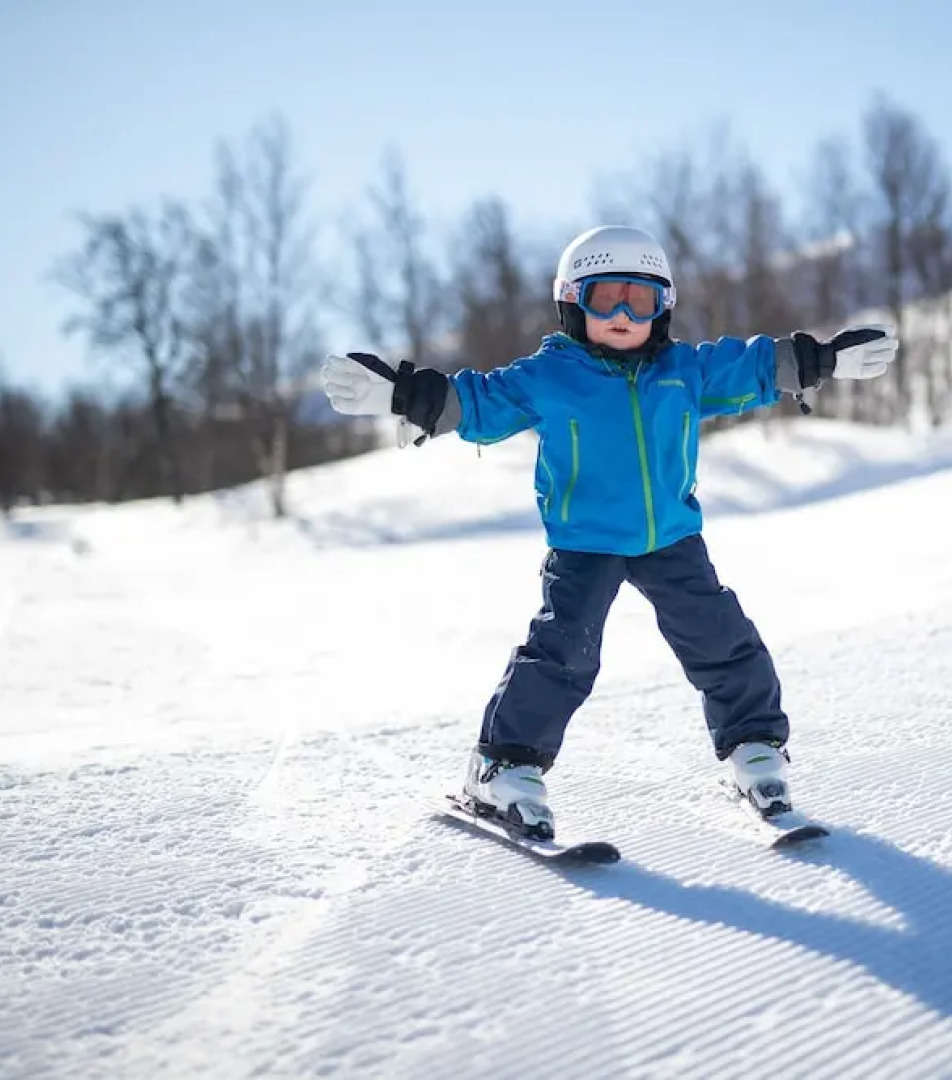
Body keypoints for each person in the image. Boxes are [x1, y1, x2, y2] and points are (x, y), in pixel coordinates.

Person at [319, 225, 897, 838]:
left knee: (721, 638)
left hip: (671, 538)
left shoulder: (682, 370)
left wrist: (823, 358)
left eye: (641, 300)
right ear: (573, 303)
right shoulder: (549, 375)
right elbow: (479, 403)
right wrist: (405, 395)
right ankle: (501, 766)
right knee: (563, 654)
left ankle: (753, 747)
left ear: (663, 309)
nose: (623, 314)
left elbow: (750, 365)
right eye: (606, 298)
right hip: (583, 546)